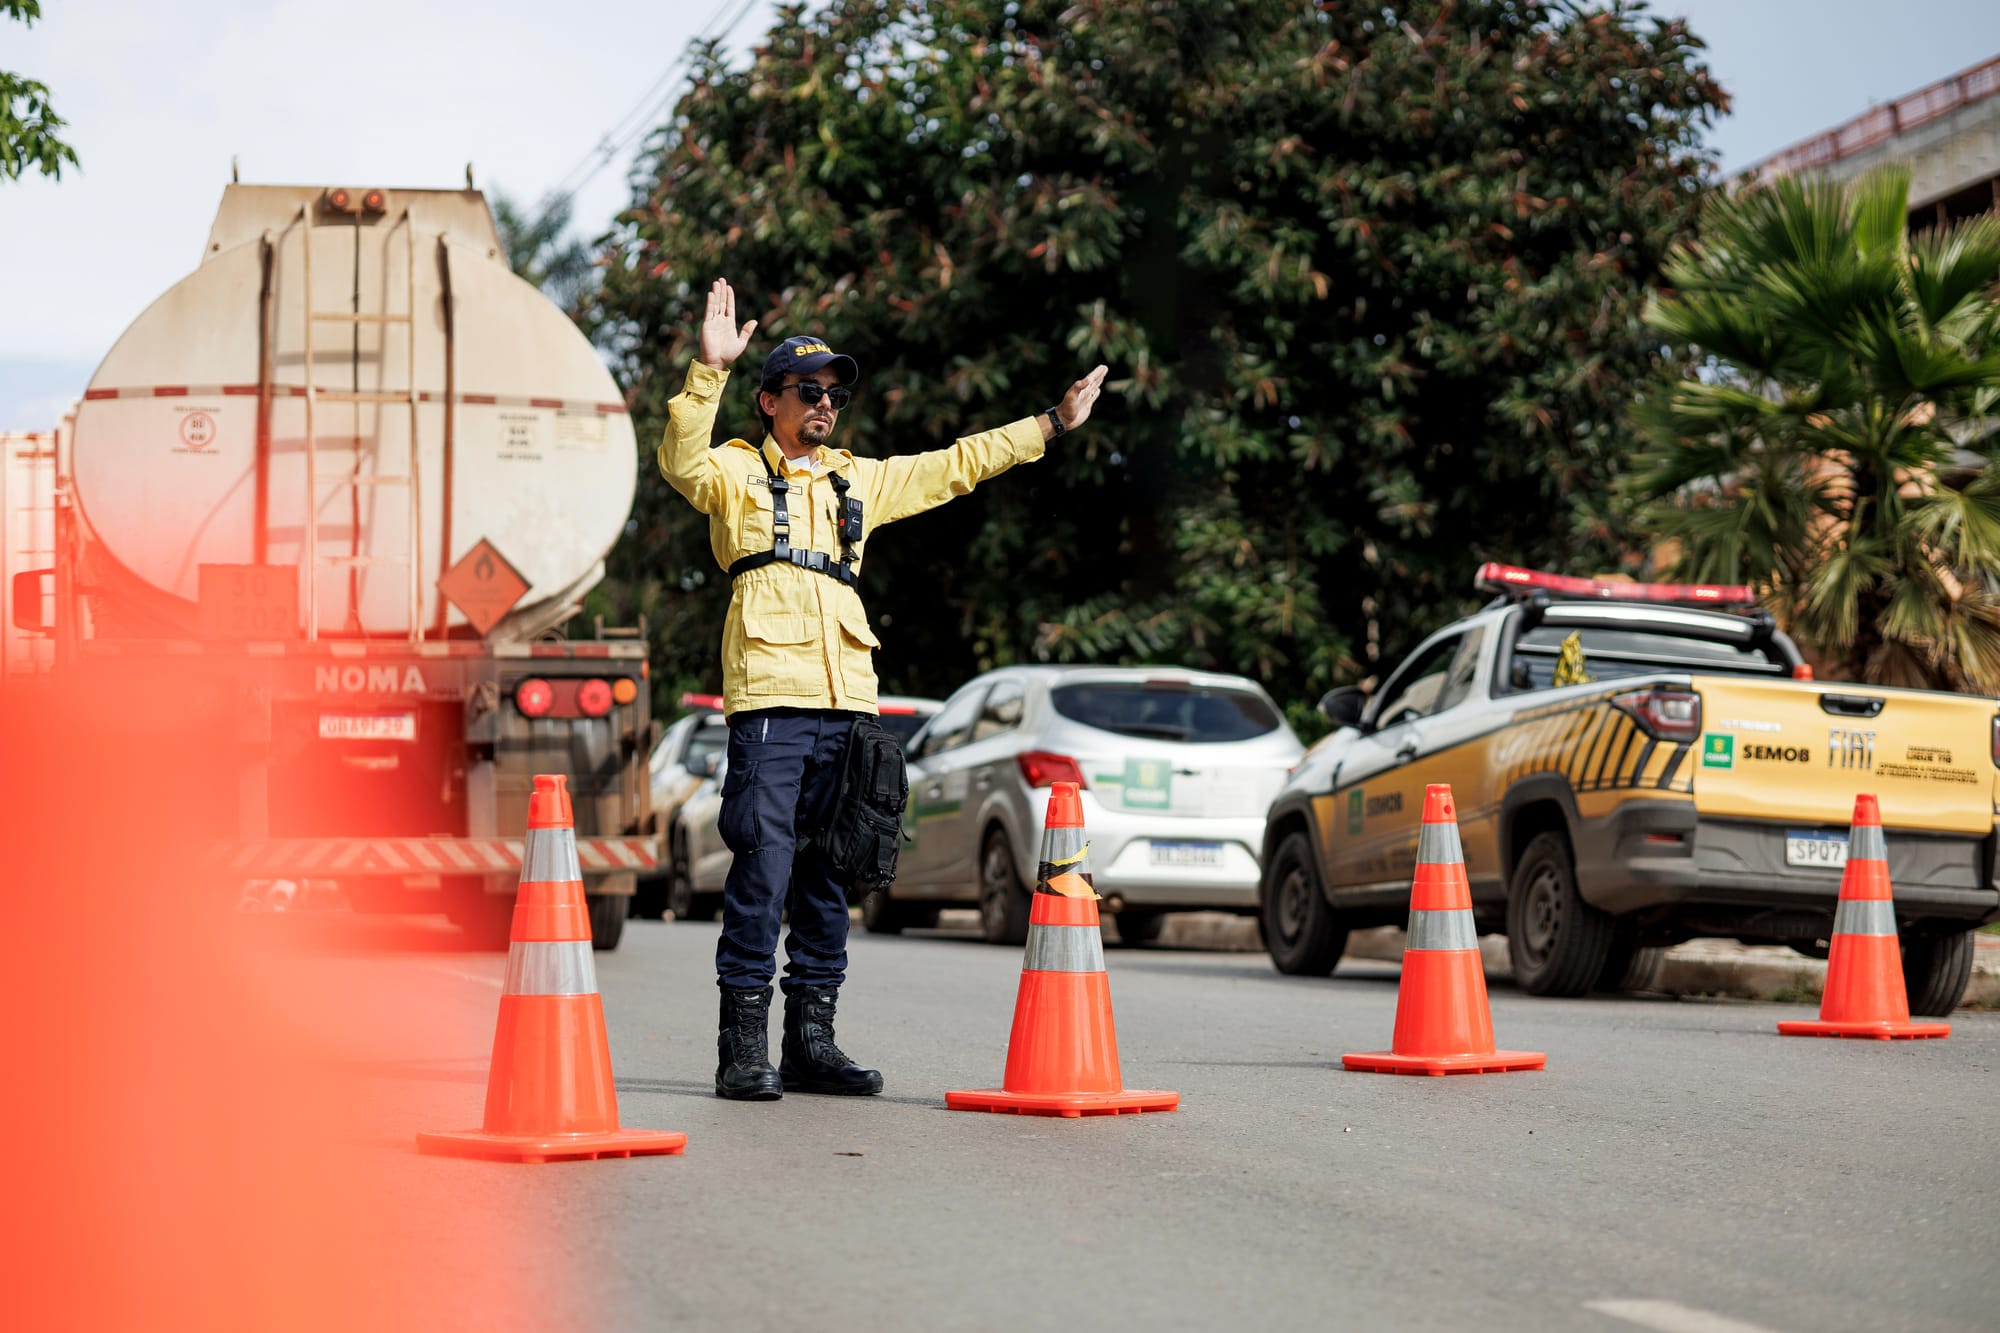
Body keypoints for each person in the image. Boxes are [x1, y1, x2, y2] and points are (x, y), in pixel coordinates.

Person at [659, 278, 1109, 1101]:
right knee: (763, 868)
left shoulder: (856, 480)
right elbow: (679, 460)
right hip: (770, 702)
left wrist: (1051, 422)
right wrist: (708, 369)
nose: (826, 404)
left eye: (835, 393)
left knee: (832, 873)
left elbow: (955, 465)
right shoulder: (733, 471)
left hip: (849, 707)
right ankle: (742, 1049)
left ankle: (811, 1042)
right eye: (809, 391)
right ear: (769, 401)